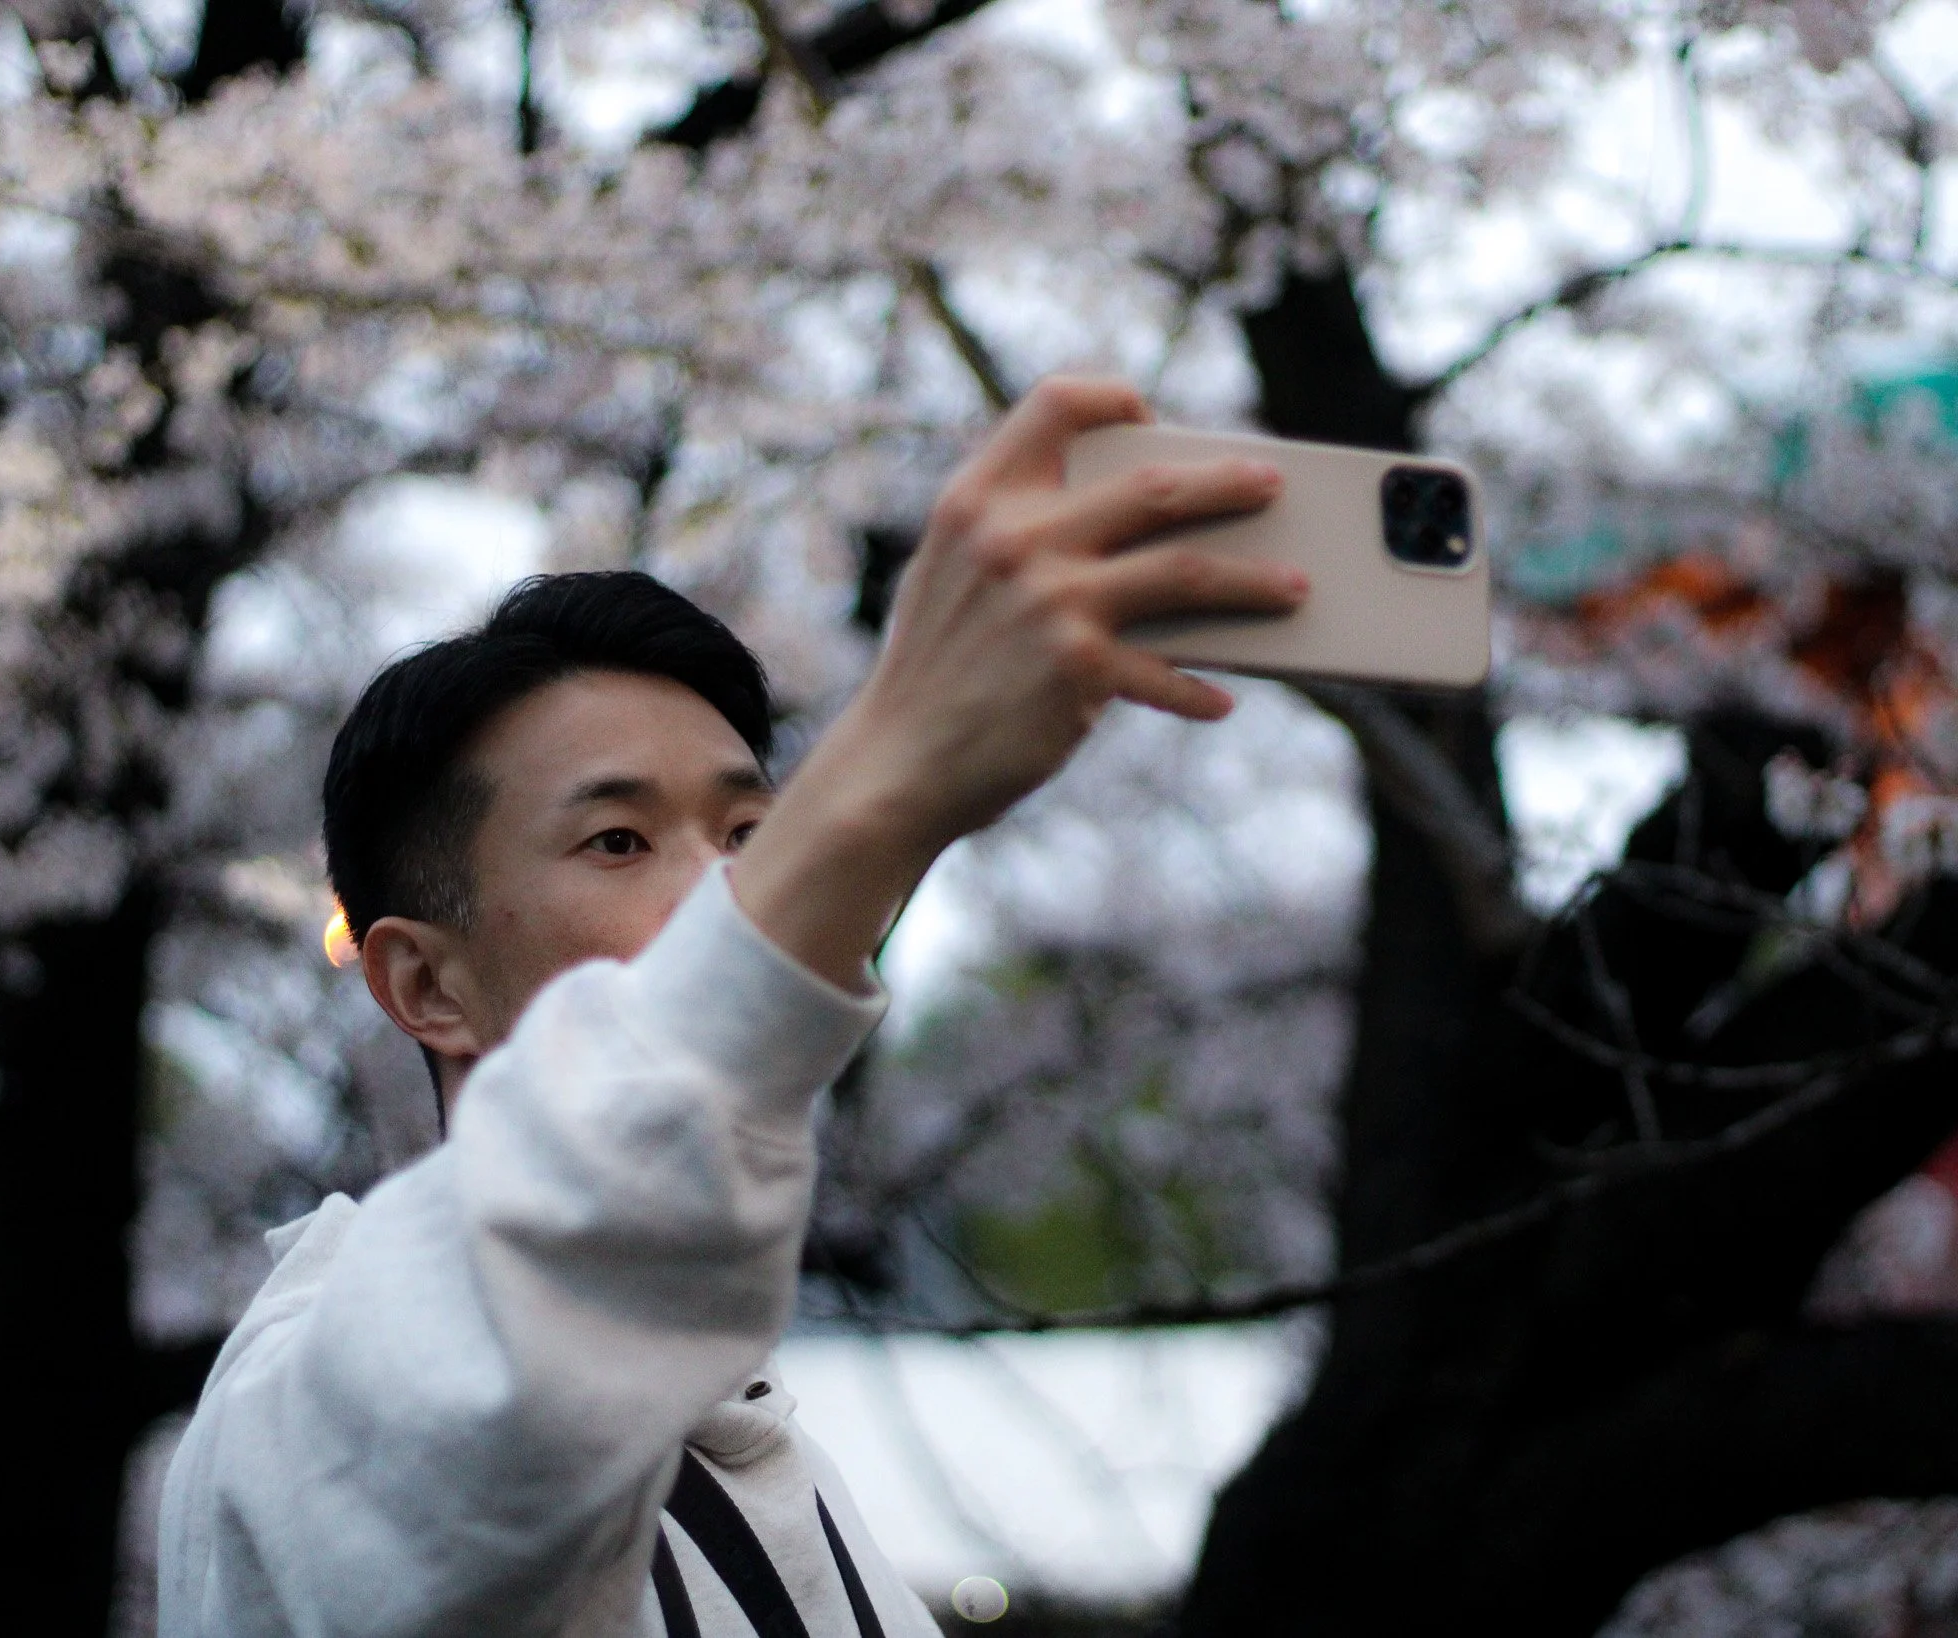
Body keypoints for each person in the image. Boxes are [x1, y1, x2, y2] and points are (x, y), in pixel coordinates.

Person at [157, 377, 1307, 1636]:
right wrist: (884, 786)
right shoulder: (313, 1405)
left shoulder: (762, 1454)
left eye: (749, 831)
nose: (721, 890)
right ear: (426, 983)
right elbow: (514, 1330)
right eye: (615, 840)